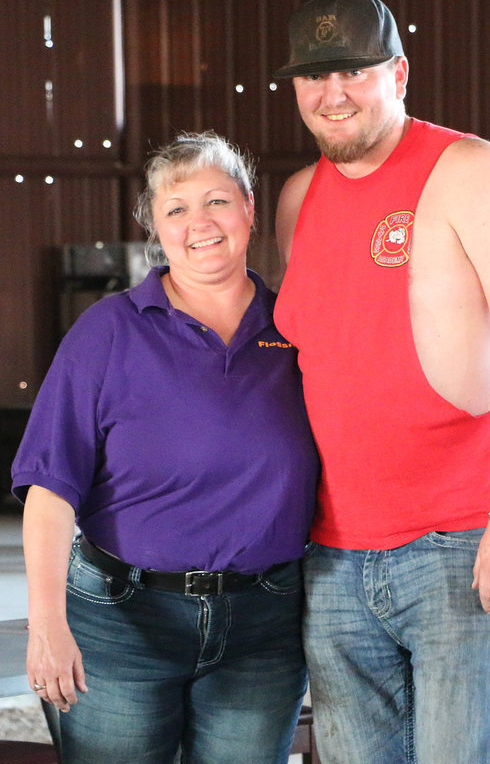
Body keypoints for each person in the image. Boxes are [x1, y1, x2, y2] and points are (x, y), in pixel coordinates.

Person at [272, 0, 490, 764]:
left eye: (354, 72)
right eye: (313, 76)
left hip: (455, 544)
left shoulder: (467, 169)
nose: (332, 94)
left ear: (397, 74)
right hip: (330, 554)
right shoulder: (297, 199)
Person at [11, 131, 319, 764]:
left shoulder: (298, 328)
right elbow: (49, 490)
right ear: (156, 227)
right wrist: (47, 626)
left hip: (264, 626)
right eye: (176, 209)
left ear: (249, 209)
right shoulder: (108, 331)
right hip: (123, 619)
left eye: (217, 201)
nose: (199, 223)